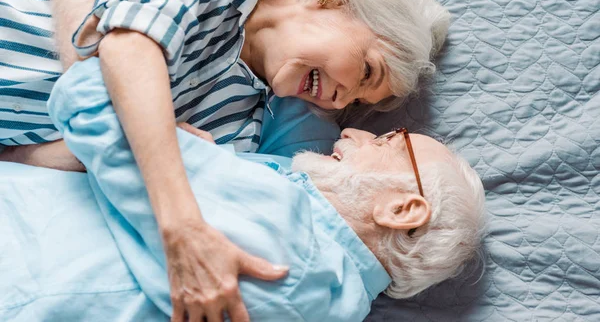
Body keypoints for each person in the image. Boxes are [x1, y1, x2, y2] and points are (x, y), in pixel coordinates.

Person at [0, 0, 450, 318]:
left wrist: (98, 147)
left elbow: (77, 152)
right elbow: (123, 48)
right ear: (335, 1)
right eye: (366, 71)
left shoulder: (240, 128)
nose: (338, 101)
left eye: (354, 100)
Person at [0, 57, 486, 322]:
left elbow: (97, 111)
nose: (353, 133)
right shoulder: (331, 294)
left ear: (402, 209)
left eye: (387, 140)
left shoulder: (287, 237)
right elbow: (295, 111)